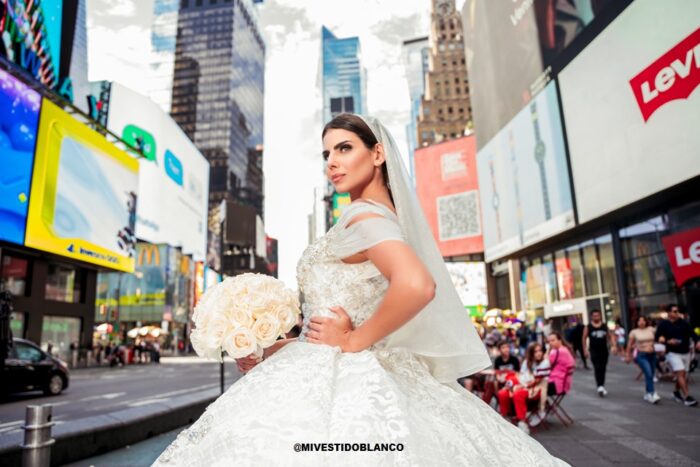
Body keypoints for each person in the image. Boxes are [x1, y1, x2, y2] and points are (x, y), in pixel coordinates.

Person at [153, 114, 567, 466]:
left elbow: (417, 285)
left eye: (345, 148)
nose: (331, 162)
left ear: (378, 153)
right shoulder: (371, 215)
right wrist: (273, 348)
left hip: (347, 381)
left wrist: (353, 340)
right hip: (343, 368)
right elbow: (332, 320)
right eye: (326, 154)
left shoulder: (366, 217)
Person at [497, 342, 550, 434]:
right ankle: (506, 418)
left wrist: (521, 386)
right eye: (535, 351)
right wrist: (515, 384)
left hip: (537, 388)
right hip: (523, 384)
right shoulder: (527, 362)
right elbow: (521, 376)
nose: (538, 353)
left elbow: (537, 380)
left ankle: (522, 421)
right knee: (502, 393)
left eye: (540, 351)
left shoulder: (545, 363)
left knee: (518, 393)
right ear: (531, 353)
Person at [655, 304, 697, 407]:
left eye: (677, 311)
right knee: (681, 373)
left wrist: (698, 341)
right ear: (669, 313)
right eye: (674, 311)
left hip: (685, 352)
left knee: (683, 375)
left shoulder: (684, 323)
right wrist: (667, 341)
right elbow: (657, 337)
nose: (676, 313)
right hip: (672, 353)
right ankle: (687, 397)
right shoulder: (663, 324)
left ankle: (676, 391)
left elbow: (692, 334)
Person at [626, 315, 660, 404]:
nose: (641, 322)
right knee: (648, 373)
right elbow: (629, 344)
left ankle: (647, 392)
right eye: (639, 320)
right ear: (636, 322)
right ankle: (652, 393)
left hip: (652, 354)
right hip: (641, 355)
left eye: (643, 320)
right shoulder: (634, 332)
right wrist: (628, 355)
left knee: (651, 374)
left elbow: (660, 334)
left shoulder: (651, 329)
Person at [582, 309, 616, 397]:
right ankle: (599, 386)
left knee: (603, 368)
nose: (596, 317)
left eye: (598, 315)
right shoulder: (588, 327)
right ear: (591, 317)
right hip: (593, 350)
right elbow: (584, 338)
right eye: (594, 316)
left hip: (604, 350)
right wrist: (585, 350)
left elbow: (610, 336)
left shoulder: (604, 326)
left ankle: (602, 385)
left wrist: (613, 346)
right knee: (597, 367)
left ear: (600, 316)